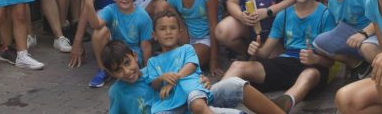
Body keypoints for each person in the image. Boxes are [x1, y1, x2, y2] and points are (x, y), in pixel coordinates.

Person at [222, 0, 335, 113]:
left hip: (312, 66)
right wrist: (254, 50)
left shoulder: (325, 14)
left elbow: (331, 62)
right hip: (286, 62)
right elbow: (264, 54)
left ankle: (283, 105)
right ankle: (212, 101)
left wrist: (316, 59)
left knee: (310, 75)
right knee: (238, 65)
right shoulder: (284, 14)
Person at [102, 40, 285, 114]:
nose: (126, 72)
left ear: (134, 56)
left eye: (127, 63)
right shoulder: (117, 91)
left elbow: (189, 79)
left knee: (235, 85)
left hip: (196, 103)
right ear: (111, 74)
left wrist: (203, 81)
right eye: (118, 70)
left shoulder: (154, 68)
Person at [312, 0, 380, 79]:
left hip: (375, 33)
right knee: (318, 44)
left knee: (367, 48)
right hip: (352, 36)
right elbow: (339, 28)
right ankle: (358, 65)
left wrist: (364, 34)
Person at [82, 0, 153, 84]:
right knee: (99, 31)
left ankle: (123, 73)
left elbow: (146, 46)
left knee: (131, 70)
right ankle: (104, 70)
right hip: (115, 50)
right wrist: (89, 4)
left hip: (133, 52)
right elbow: (95, 25)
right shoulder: (111, 9)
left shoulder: (142, 16)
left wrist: (148, 71)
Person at [147, 10, 214, 114]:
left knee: (198, 105)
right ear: (154, 35)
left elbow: (191, 66)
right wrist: (162, 77)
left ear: (179, 33)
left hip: (191, 91)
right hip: (168, 102)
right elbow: (154, 84)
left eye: (173, 28)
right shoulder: (152, 61)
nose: (168, 32)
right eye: (162, 29)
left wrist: (173, 80)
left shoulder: (187, 49)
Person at [167, 0, 222, 76]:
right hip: (186, 38)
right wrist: (184, 46)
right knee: (175, 61)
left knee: (186, 62)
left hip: (206, 38)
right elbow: (180, 26)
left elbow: (213, 25)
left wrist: (214, 61)